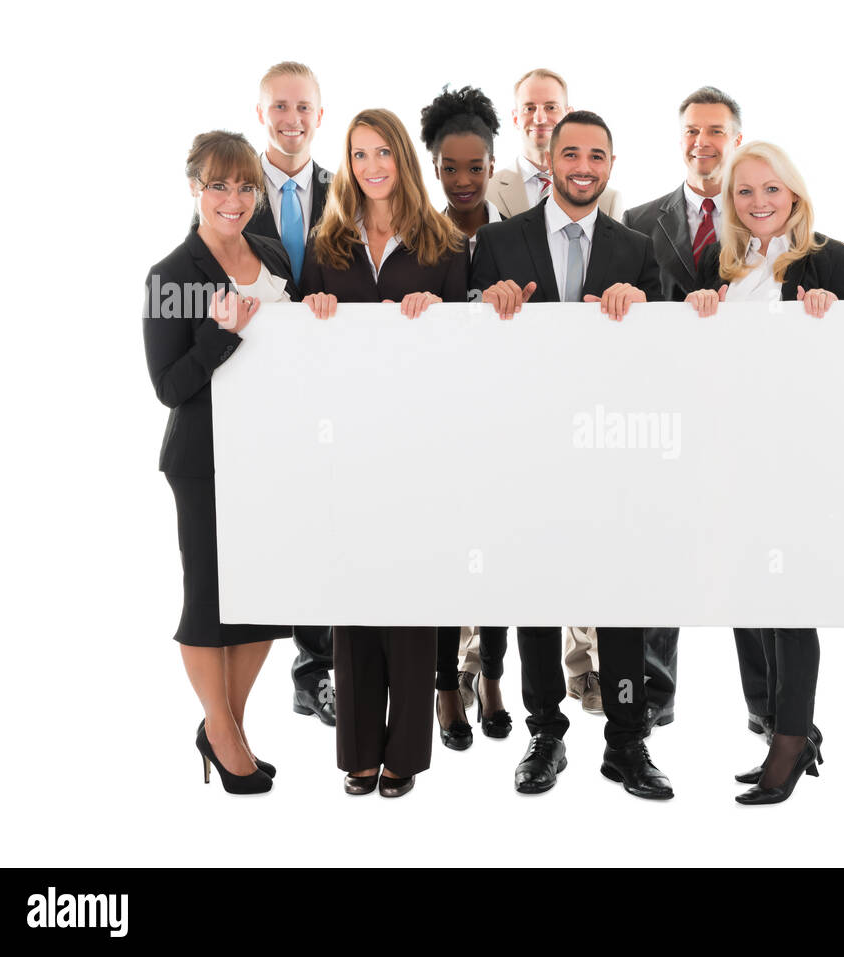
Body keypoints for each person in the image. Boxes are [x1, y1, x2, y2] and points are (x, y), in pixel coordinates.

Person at [471, 110, 671, 800]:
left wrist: (641, 303)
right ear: (549, 162)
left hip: (610, 446)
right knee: (535, 591)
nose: (584, 165)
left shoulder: (635, 246)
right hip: (526, 446)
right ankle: (544, 730)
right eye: (572, 153)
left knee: (617, 596)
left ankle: (626, 737)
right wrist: (483, 300)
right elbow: (469, 344)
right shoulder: (497, 242)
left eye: (598, 155)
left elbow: (662, 347)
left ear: (610, 166)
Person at [686, 140, 844, 804]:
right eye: (744, 192)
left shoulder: (829, 260)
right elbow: (692, 360)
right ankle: (777, 726)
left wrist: (831, 322)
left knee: (787, 602)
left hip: (796, 458)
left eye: (771, 190)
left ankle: (791, 739)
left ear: (794, 194)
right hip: (728, 454)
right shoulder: (718, 264)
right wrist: (696, 311)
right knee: (746, 595)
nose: (759, 203)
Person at [300, 108, 470, 798]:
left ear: (403, 157)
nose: (372, 166)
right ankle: (359, 751)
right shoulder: (327, 245)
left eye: (383, 153)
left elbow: (468, 353)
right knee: (356, 597)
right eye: (358, 154)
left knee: (410, 599)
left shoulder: (446, 246)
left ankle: (405, 752)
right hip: (347, 444)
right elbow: (303, 356)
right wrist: (311, 314)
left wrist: (437, 317)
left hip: (419, 446)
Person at [144, 130, 298, 794]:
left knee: (264, 598)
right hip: (205, 458)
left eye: (243, 186)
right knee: (210, 599)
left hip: (271, 453)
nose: (232, 200)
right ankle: (225, 731)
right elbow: (168, 386)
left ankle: (223, 723)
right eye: (218, 186)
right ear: (193, 189)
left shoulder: (271, 253)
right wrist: (219, 333)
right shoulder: (171, 275)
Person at [616, 85, 744, 735]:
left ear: (737, 140)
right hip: (659, 419)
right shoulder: (637, 221)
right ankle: (652, 696)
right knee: (659, 554)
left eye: (716, 131)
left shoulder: (765, 216)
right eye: (693, 130)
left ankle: (771, 705)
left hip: (742, 417)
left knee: (753, 554)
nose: (703, 142)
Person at [418, 85, 512, 747]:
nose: (463, 180)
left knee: (504, 551)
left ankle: (493, 676)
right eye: (449, 168)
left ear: (492, 163)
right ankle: (445, 682)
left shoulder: (513, 238)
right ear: (432, 166)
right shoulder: (420, 237)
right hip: (439, 421)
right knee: (447, 557)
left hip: (505, 418)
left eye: (475, 167)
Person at [252, 60, 337, 728]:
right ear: (262, 115)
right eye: (280, 107)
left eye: (304, 108)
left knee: (325, 524)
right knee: (266, 528)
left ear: (319, 115)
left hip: (333, 383)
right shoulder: (231, 188)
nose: (292, 120)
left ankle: (317, 672)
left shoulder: (345, 191)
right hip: (255, 384)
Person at [487, 68, 623, 220]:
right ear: (515, 118)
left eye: (551, 107)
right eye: (529, 108)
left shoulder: (608, 200)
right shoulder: (486, 191)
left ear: (568, 115)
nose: (540, 118)